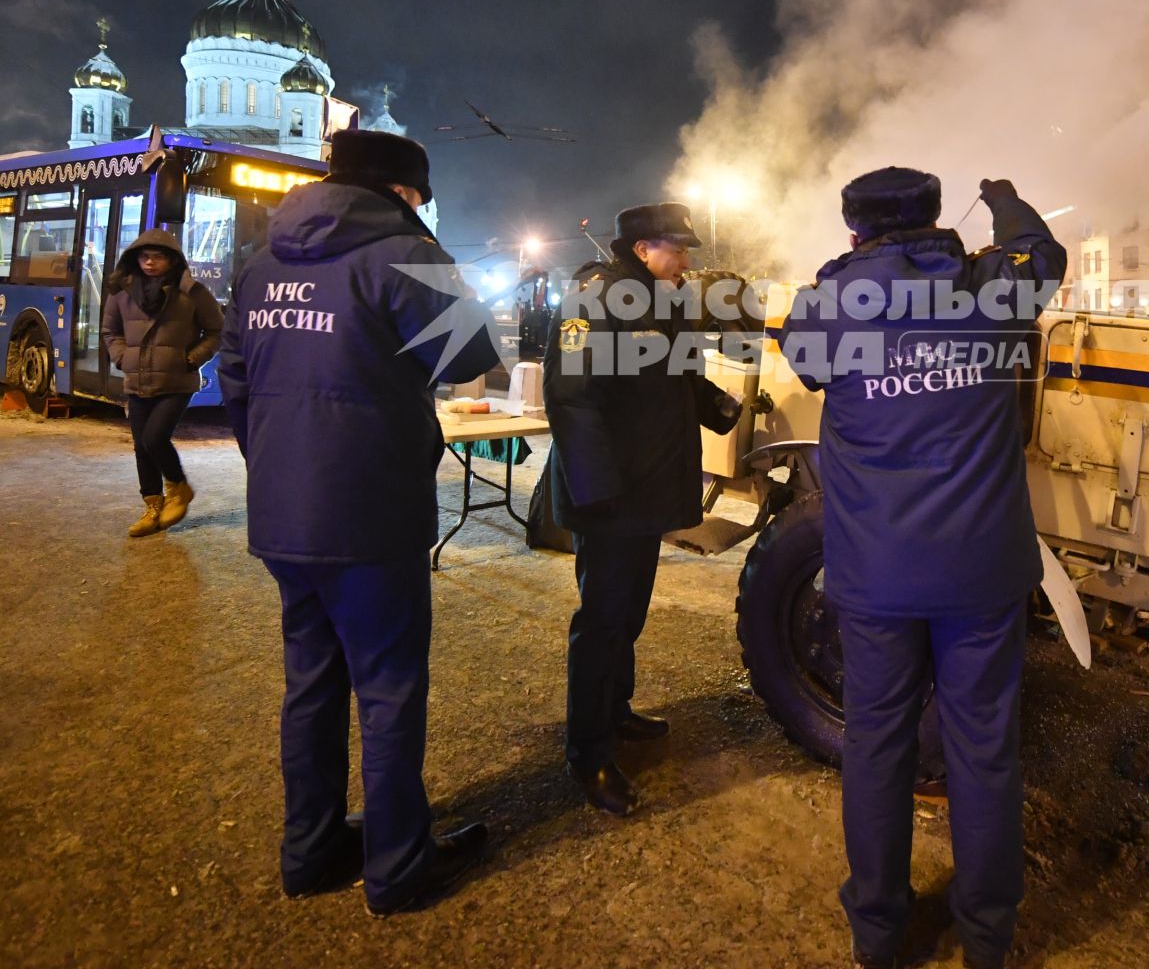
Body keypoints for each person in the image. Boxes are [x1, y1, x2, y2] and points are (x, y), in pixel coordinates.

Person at [775, 169, 1065, 969]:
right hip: (982, 572)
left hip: (879, 578)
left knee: (878, 745)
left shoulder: (833, 305)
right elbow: (1042, 251)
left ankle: (878, 930)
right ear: (937, 217)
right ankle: (987, 938)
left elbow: (802, 357)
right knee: (984, 749)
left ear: (855, 231)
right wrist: (1004, 195)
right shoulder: (989, 286)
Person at [217, 129, 501, 917]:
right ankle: (397, 869)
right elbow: (470, 353)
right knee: (387, 690)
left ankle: (308, 853)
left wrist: (280, 471)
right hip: (372, 513)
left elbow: (235, 384)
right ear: (405, 193)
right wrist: (424, 244)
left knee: (310, 685)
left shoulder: (261, 258)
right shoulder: (401, 254)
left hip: (284, 512)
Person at [543, 202, 741, 816]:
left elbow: (676, 373)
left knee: (627, 613)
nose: (685, 263)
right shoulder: (593, 297)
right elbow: (572, 396)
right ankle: (588, 751)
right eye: (676, 251)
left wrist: (721, 407)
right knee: (601, 622)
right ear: (642, 249)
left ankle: (616, 709)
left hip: (644, 489)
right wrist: (598, 490)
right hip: (610, 494)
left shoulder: (658, 301)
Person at [100, 228, 224, 538]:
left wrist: (191, 359)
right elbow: (109, 332)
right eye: (145, 257)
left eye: (158, 257)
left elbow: (217, 331)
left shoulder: (192, 293)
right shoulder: (121, 293)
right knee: (141, 447)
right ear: (135, 259)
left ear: (172, 260)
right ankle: (152, 507)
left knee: (154, 438)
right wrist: (121, 358)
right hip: (137, 379)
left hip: (176, 381)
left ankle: (179, 488)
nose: (150, 263)